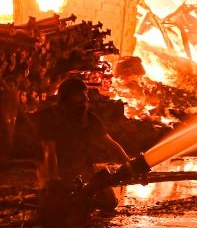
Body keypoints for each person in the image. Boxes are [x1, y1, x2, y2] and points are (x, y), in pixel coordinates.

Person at [37, 77, 132, 213]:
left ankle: (82, 201)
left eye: (85, 95)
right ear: (67, 98)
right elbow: (49, 151)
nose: (86, 99)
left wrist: (130, 166)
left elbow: (110, 145)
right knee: (56, 209)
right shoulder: (49, 117)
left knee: (109, 202)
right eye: (80, 96)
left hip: (83, 170)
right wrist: (53, 179)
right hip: (56, 170)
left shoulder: (89, 119)